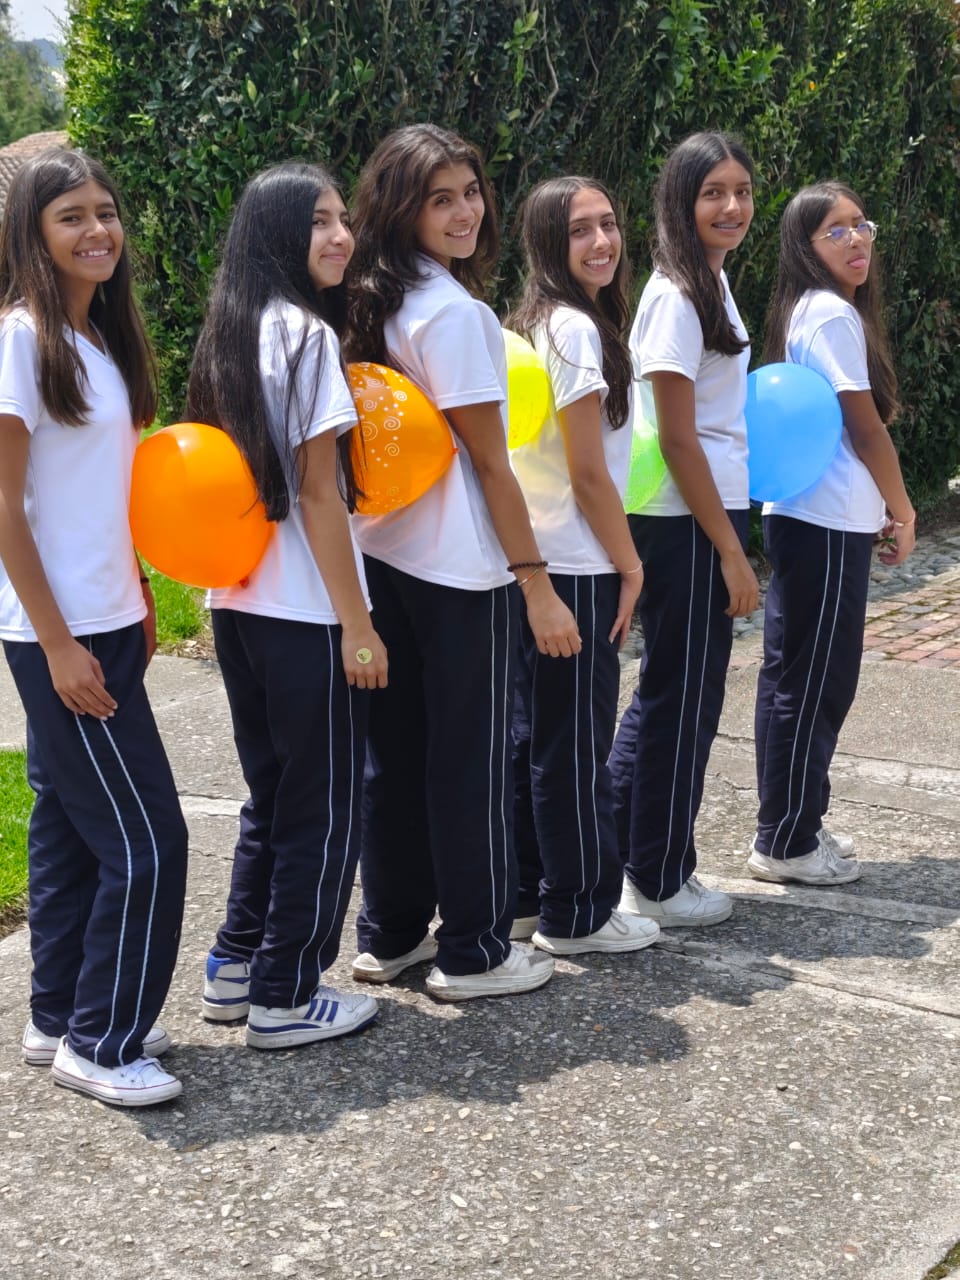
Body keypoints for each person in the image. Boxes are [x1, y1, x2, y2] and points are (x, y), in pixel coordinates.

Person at [344, 123, 581, 1001]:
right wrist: (537, 583)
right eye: (439, 199)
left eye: (471, 193)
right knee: (469, 762)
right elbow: (490, 463)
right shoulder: (453, 312)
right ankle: (476, 950)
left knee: (396, 757)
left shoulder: (368, 301)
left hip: (381, 558)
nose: (465, 213)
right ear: (400, 208)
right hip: (457, 573)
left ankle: (392, 933)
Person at [0, 148, 188, 1106]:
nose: (97, 231)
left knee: (74, 834)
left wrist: (138, 601)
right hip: (58, 635)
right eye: (71, 216)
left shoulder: (99, 342)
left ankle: (58, 1016)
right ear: (32, 234)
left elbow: (97, 498)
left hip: (108, 620)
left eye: (106, 212)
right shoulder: (21, 339)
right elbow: (4, 508)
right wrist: (59, 644)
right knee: (150, 843)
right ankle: (104, 1043)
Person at [187, 162, 386, 1048]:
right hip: (306, 611)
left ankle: (235, 966)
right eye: (318, 222)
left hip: (238, 602)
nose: (341, 236)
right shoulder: (306, 336)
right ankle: (287, 994)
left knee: (272, 798)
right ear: (276, 236)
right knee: (326, 807)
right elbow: (318, 496)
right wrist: (359, 624)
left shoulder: (231, 334)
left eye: (343, 218)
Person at [608, 131, 759, 927]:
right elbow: (676, 436)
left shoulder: (710, 280)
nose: (732, 206)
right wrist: (731, 551)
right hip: (685, 521)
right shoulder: (676, 294)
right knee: (681, 700)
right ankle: (661, 880)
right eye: (713, 193)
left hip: (702, 515)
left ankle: (625, 863)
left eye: (742, 190)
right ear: (681, 200)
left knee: (671, 693)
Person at [506, 176, 660, 956]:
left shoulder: (546, 322)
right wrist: (631, 566)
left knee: (539, 742)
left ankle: (529, 899)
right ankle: (578, 914)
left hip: (543, 561)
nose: (602, 242)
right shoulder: (573, 328)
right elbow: (589, 473)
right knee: (572, 749)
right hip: (573, 565)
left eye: (608, 223)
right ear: (547, 244)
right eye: (579, 231)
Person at [748, 181, 916, 885]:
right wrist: (902, 509)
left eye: (860, 224)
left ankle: (793, 821)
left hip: (811, 517)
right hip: (820, 523)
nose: (856, 239)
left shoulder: (813, 311)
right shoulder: (830, 313)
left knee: (795, 676)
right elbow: (864, 427)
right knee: (815, 681)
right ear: (804, 246)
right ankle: (786, 841)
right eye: (835, 230)